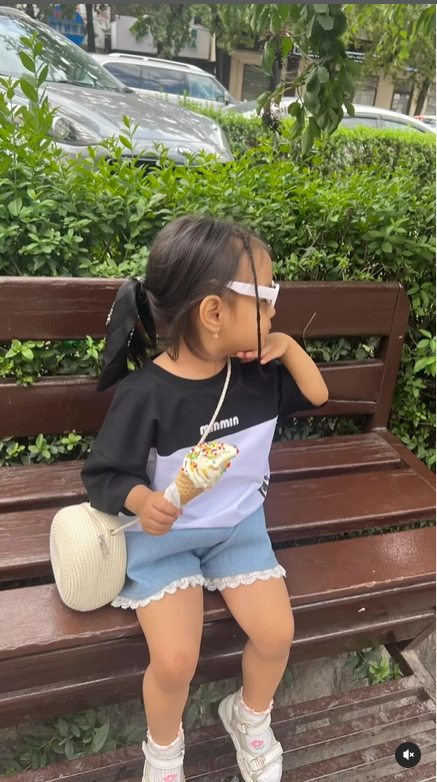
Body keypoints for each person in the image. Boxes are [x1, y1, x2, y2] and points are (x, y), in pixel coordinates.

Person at [82, 216, 329, 782]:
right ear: (214, 313)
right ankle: (164, 750)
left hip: (238, 528)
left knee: (277, 633)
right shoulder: (145, 394)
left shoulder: (256, 375)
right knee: (175, 660)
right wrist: (142, 500)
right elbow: (104, 476)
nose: (274, 311)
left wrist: (287, 346)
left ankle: (249, 715)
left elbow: (316, 394)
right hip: (165, 541)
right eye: (266, 299)